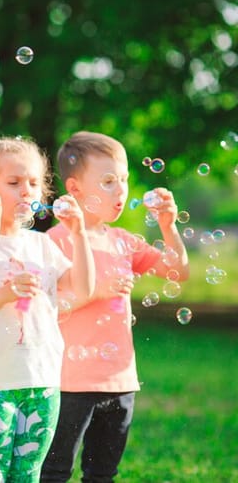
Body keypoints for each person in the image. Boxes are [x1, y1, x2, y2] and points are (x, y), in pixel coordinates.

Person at [40, 131, 189, 483]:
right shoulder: (55, 241)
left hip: (120, 380)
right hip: (69, 382)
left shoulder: (123, 241)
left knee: (103, 473)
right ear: (75, 189)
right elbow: (43, 308)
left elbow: (177, 271)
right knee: (55, 470)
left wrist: (168, 228)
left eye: (122, 180)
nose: (120, 190)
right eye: (108, 181)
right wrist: (95, 290)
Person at [0, 137, 94, 483]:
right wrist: (5, 292)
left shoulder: (42, 244)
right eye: (14, 183)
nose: (27, 191)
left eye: (34, 183)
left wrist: (79, 235)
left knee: (28, 474)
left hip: (43, 379)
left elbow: (84, 288)